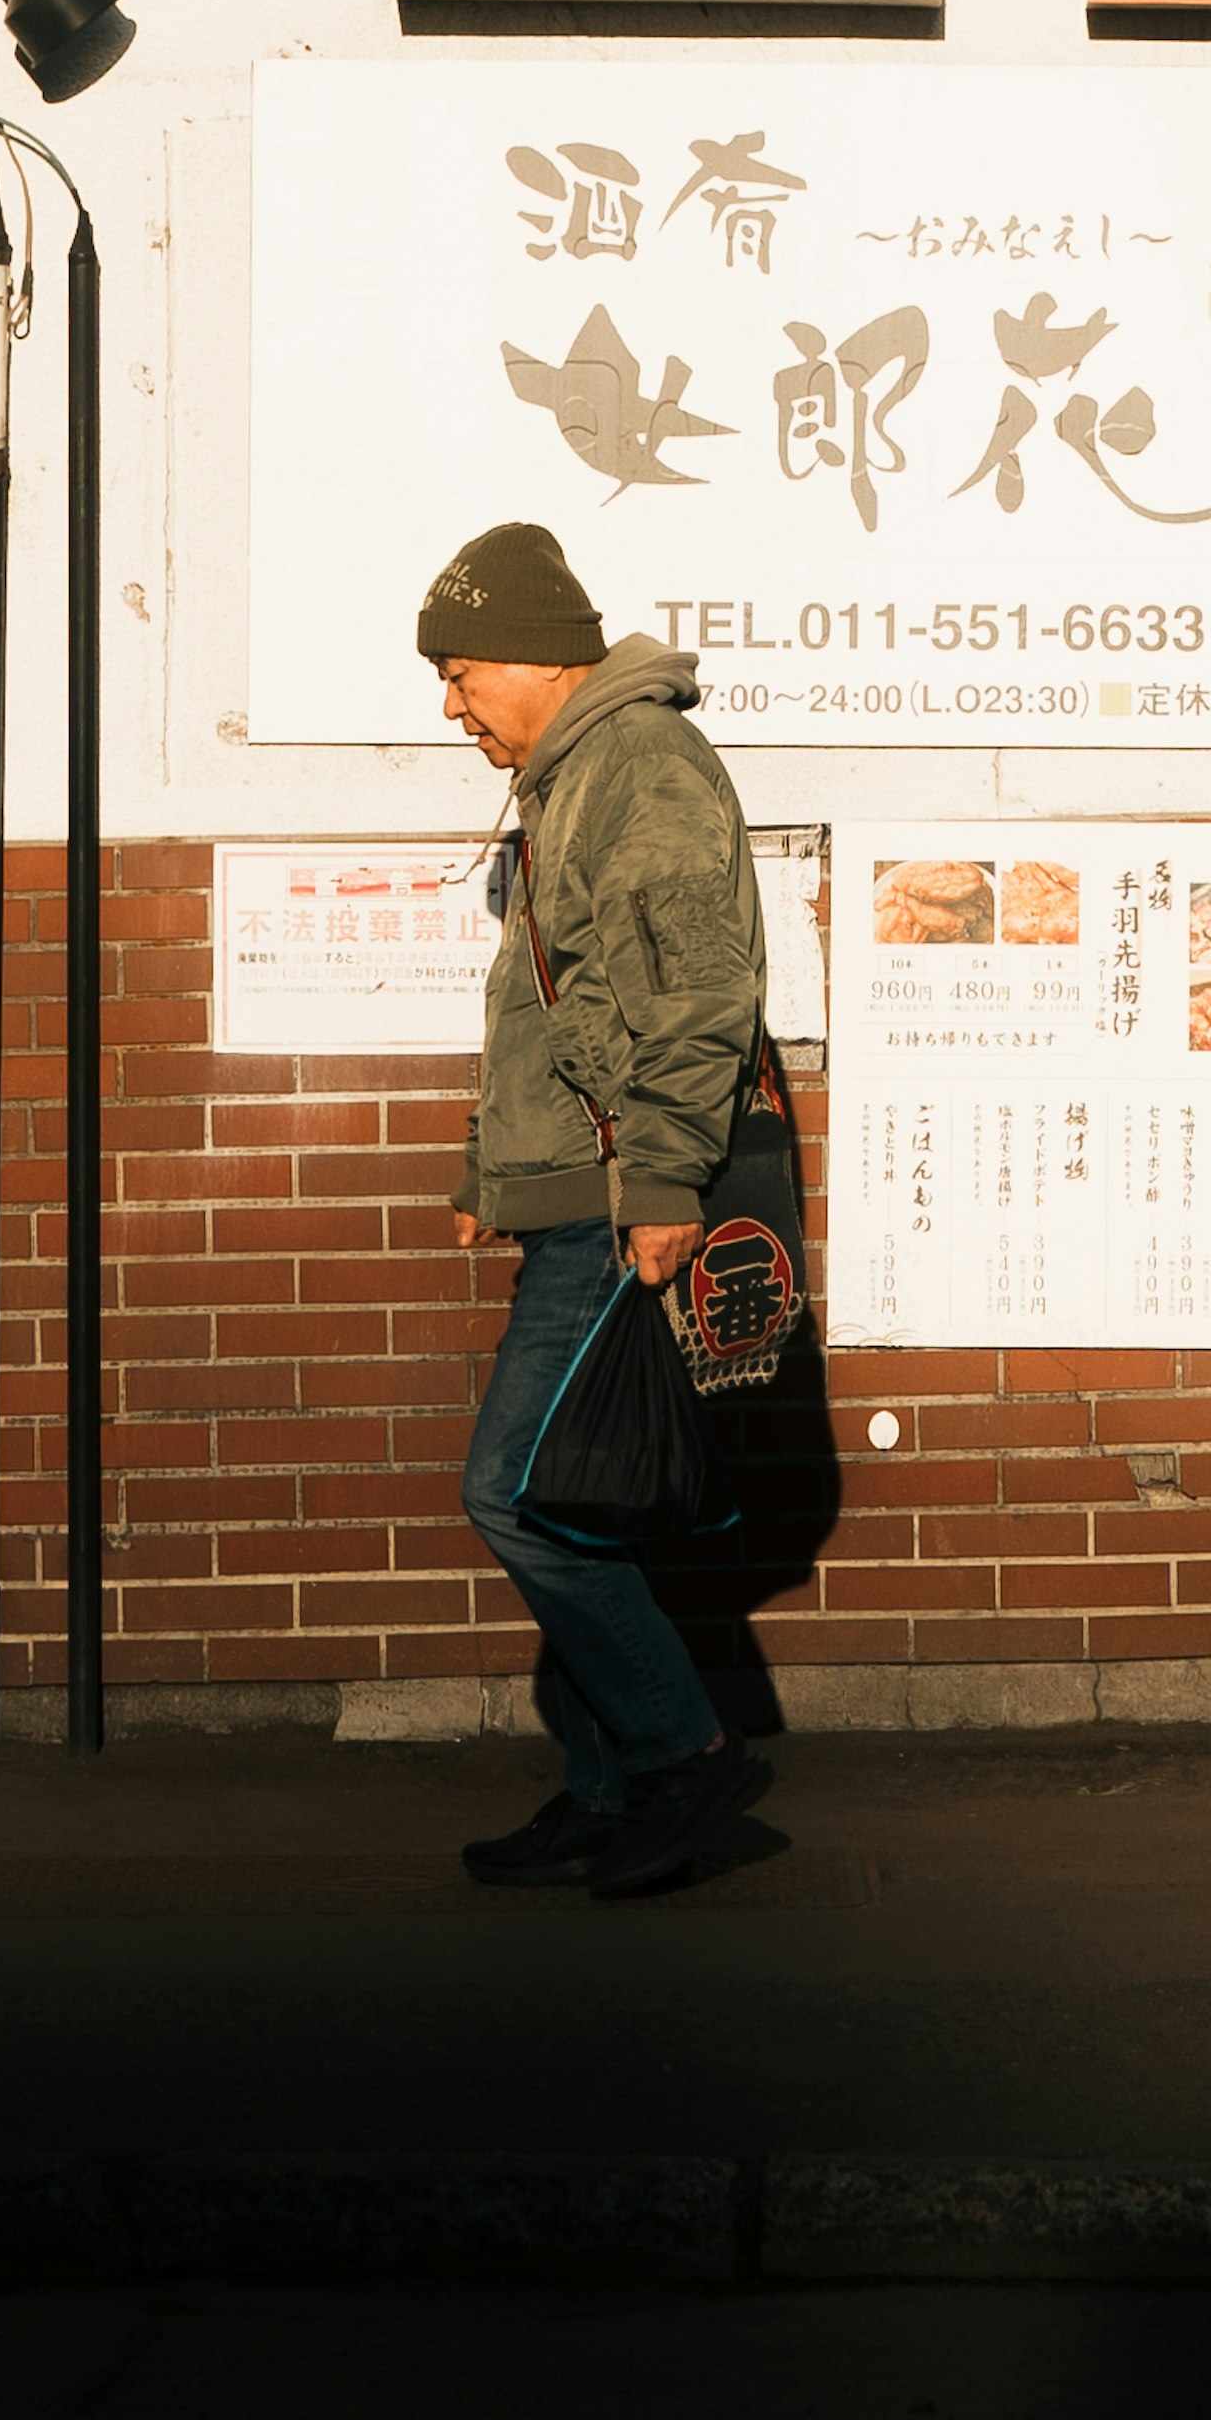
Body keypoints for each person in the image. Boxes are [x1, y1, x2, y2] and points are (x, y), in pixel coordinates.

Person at [424, 518, 772, 1900]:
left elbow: (700, 985)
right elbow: (548, 1003)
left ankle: (684, 1752)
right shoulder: (571, 776)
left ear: (539, 657)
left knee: (511, 1494)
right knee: (568, 1494)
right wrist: (490, 1177)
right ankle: (608, 1784)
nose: (450, 706)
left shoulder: (642, 764)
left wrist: (673, 1175)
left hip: (629, 1193)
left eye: (459, 673)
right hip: (579, 1189)